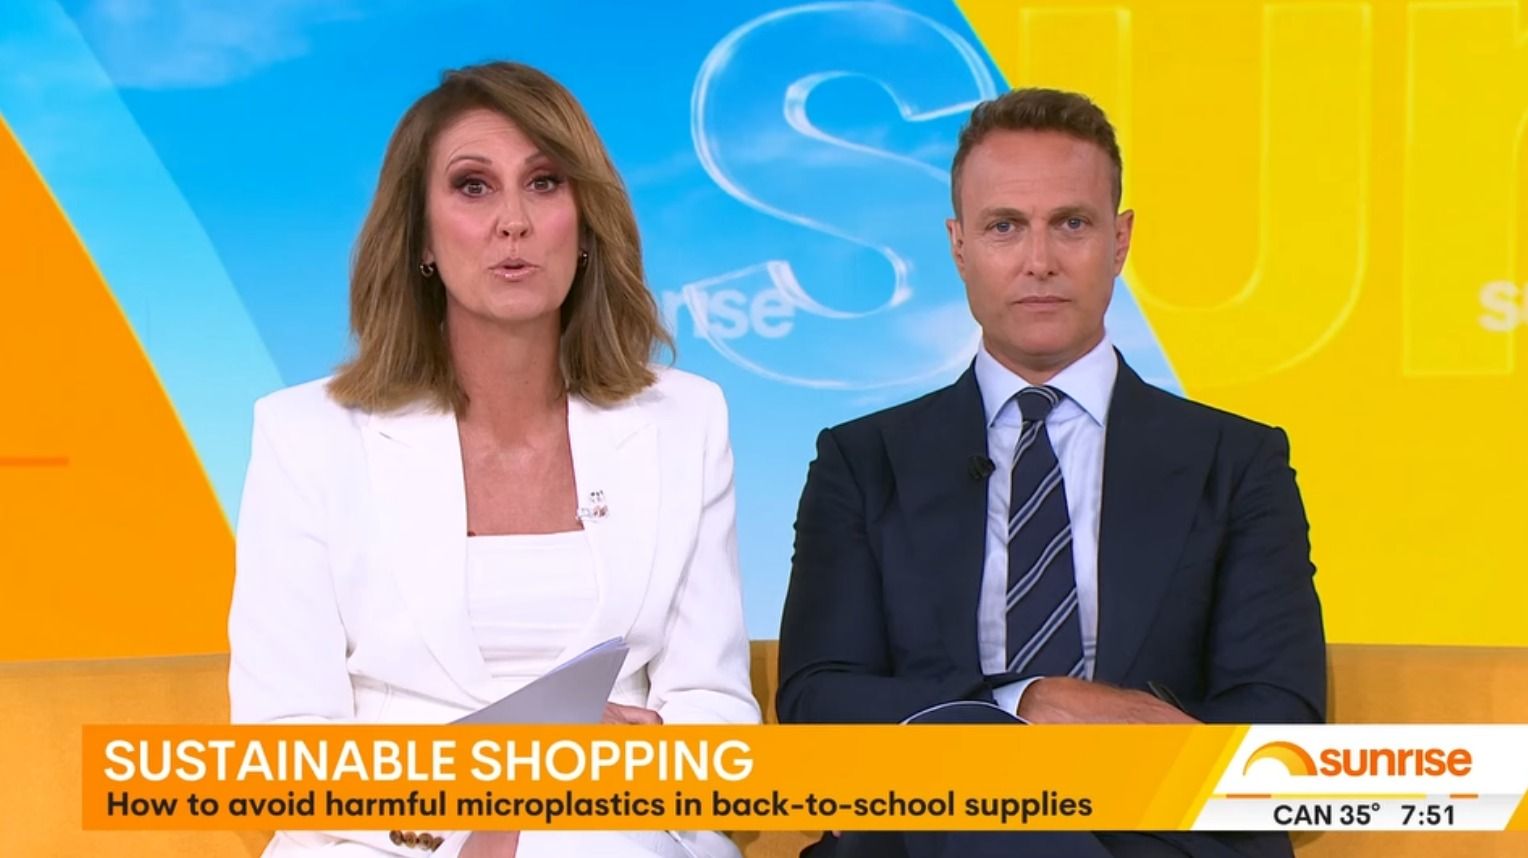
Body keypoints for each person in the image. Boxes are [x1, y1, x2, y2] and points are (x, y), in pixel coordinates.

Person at [228, 61, 760, 858]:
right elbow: (282, 749)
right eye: (473, 187)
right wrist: (506, 777)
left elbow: (713, 711)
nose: (513, 220)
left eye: (544, 183)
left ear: (586, 223)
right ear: (420, 235)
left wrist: (605, 783)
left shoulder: (686, 420)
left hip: (618, 828)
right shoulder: (305, 434)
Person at [777, 88, 1325, 858]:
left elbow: (1280, 727)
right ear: (959, 246)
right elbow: (818, 703)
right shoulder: (864, 463)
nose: (1039, 261)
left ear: (1120, 241)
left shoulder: (1236, 463)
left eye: (1071, 223)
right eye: (1005, 226)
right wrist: (1024, 706)